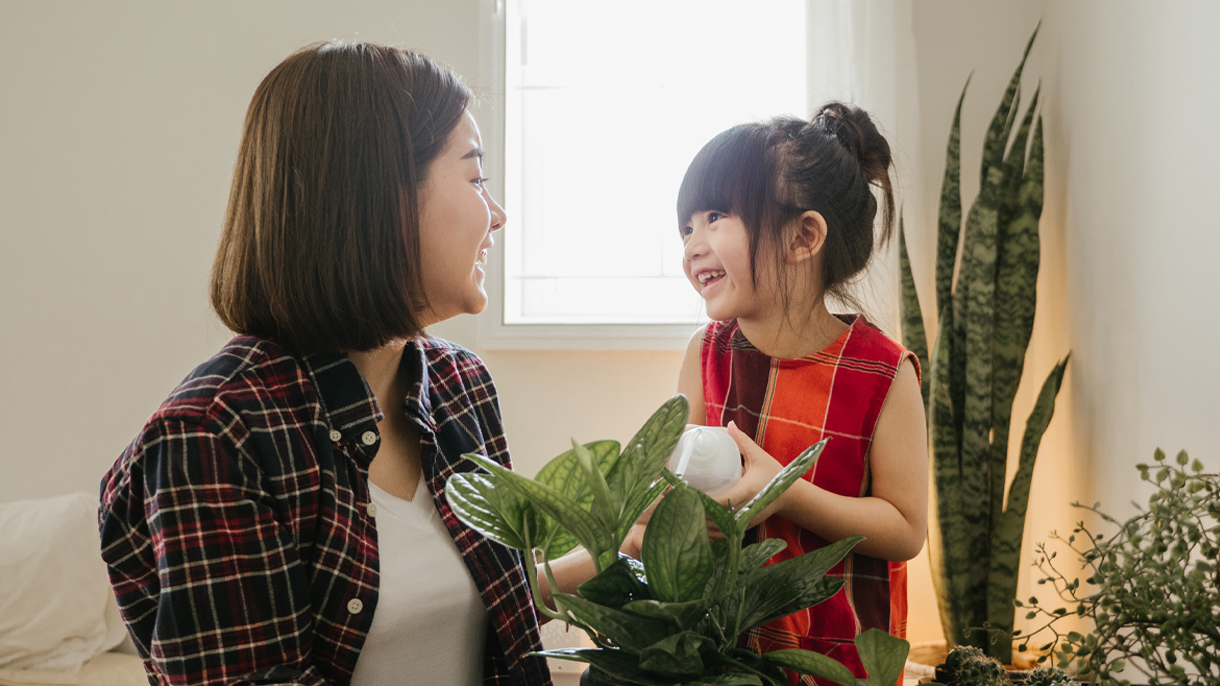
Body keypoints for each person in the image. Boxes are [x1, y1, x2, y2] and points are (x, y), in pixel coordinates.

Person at [97, 42, 552, 686]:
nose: (497, 215)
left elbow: (472, 608)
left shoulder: (460, 384)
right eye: (475, 177)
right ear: (380, 196)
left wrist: (630, 541)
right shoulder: (215, 432)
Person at [673, 103, 929, 684]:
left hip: (839, 662)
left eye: (716, 216)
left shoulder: (884, 372)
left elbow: (905, 530)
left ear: (803, 236)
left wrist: (785, 494)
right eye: (686, 225)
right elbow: (679, 482)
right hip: (721, 652)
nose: (692, 243)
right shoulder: (705, 353)